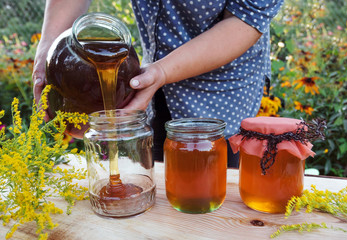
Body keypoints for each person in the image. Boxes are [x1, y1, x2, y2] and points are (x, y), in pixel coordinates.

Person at [32, 0, 284, 168]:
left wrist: (162, 71)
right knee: (162, 185)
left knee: (213, 189)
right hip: (152, 81)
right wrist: (48, 44)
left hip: (221, 93)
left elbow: (246, 19)